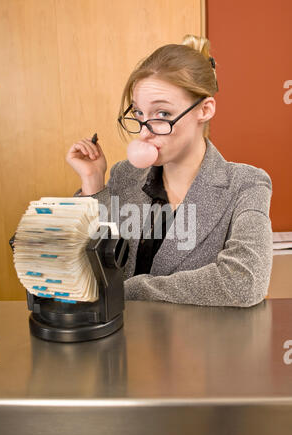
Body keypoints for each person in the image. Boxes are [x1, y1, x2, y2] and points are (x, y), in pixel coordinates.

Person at [66, 34, 273, 307]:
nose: (144, 132)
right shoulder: (124, 175)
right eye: (139, 114)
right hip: (122, 345)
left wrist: (131, 290)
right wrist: (93, 183)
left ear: (205, 109)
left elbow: (244, 282)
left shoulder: (246, 184)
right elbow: (84, 273)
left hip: (201, 347)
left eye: (162, 114)